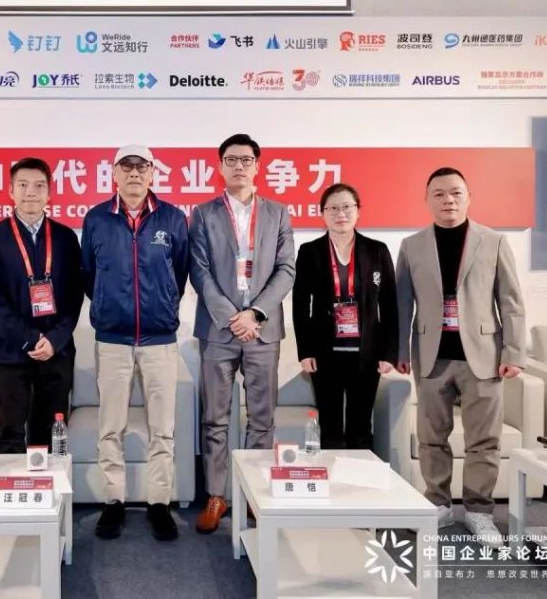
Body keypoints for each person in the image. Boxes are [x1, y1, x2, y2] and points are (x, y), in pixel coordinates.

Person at [396, 167, 525, 547]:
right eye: (438, 194)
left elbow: (511, 303)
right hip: (431, 356)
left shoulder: (494, 241)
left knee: (484, 441)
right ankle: (437, 503)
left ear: (469, 197)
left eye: (455, 192)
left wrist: (514, 352)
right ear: (427, 200)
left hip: (484, 357)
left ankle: (479, 511)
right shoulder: (412, 245)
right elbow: (402, 304)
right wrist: (400, 351)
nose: (448, 200)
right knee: (431, 438)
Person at [82, 144, 189, 541]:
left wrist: (162, 305)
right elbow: (89, 274)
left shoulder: (172, 218)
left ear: (152, 173)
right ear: (113, 173)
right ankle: (114, 502)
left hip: (159, 340)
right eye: (125, 167)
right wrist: (111, 306)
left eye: (141, 167)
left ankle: (159, 503)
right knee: (111, 427)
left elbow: (180, 273)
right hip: (113, 340)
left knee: (163, 428)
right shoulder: (97, 218)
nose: (133, 173)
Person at [189, 133, 295, 534]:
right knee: (215, 418)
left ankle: (253, 494)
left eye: (245, 160)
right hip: (219, 330)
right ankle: (216, 495)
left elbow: (286, 269)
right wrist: (232, 317)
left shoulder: (278, 213)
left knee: (262, 418)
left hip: (263, 330)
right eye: (231, 160)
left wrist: (255, 313)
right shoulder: (203, 214)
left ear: (257, 166)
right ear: (220, 166)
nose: (238, 166)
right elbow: (199, 270)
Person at [0, 157, 83, 454]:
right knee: (11, 433)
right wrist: (29, 338)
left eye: (39, 186)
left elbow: (74, 296)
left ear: (50, 193)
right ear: (11, 191)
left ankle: (51, 486)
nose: (31, 192)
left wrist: (55, 339)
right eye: (23, 185)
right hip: (11, 352)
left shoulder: (65, 238)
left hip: (56, 352)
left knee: (52, 434)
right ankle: (13, 485)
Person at [293, 183, 398, 451]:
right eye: (333, 208)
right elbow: (300, 305)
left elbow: (389, 304)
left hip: (367, 354)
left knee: (360, 427)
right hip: (324, 354)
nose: (341, 214)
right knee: (329, 425)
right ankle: (331, 477)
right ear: (323, 213)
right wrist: (305, 351)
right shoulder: (309, 251)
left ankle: (358, 477)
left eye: (347, 207)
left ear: (358, 210)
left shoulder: (377, 250)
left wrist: (389, 353)